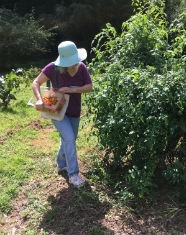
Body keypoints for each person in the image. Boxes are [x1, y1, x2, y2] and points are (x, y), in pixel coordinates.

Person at [32, 41, 93, 187]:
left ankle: (61, 164)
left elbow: (89, 87)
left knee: (69, 139)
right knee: (70, 138)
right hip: (54, 107)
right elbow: (36, 82)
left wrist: (71, 90)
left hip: (74, 110)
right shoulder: (52, 68)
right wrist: (40, 100)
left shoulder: (82, 68)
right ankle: (73, 175)